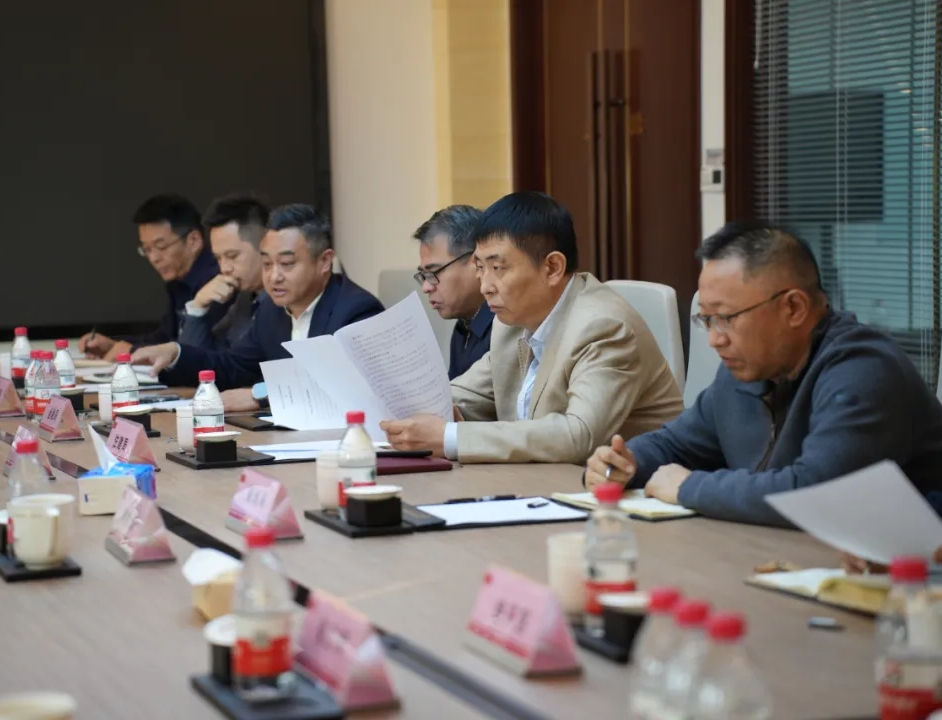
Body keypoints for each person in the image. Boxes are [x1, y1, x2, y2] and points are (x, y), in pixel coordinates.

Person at [585, 220, 942, 527]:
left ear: (794, 307)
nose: (714, 339)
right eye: (706, 319)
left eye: (726, 318)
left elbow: (816, 493)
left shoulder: (862, 370)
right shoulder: (745, 372)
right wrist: (627, 462)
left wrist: (689, 487)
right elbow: (674, 444)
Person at [381, 191, 683, 464]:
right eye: (480, 268)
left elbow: (579, 435)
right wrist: (417, 413)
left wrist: (449, 437)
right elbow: (463, 395)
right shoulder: (511, 323)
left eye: (498, 268)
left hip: (631, 492)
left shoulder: (604, 327)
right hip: (545, 485)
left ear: (552, 268)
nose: (485, 286)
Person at [131, 204, 384, 410]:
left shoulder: (357, 311)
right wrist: (176, 353)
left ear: (324, 261)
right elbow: (233, 367)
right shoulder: (271, 311)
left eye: (287, 264)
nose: (274, 277)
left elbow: (339, 387)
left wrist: (259, 395)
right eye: (267, 264)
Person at [78, 194, 226, 360]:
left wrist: (133, 351)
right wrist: (114, 345)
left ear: (194, 240)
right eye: (146, 249)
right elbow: (166, 337)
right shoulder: (178, 281)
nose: (154, 258)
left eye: (161, 246)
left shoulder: (218, 280)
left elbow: (201, 353)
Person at [413, 205, 493, 379]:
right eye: (423, 276)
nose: (426, 287)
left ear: (476, 262)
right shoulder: (463, 326)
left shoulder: (506, 325)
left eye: (433, 272)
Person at [178, 195, 268, 352]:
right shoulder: (244, 301)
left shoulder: (288, 300)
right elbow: (201, 359)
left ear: (266, 246)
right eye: (218, 258)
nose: (224, 268)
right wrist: (198, 306)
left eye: (232, 256)